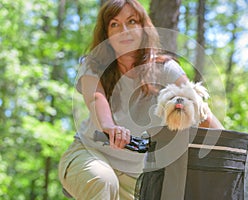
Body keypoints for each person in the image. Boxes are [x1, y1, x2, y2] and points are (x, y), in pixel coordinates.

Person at [58, 0, 224, 199]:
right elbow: (96, 97)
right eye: (114, 24)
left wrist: (231, 148)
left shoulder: (165, 68)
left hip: (135, 175)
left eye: (132, 21)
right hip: (89, 155)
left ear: (143, 27)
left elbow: (195, 104)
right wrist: (109, 126)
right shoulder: (93, 65)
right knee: (104, 181)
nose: (124, 30)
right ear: (106, 34)